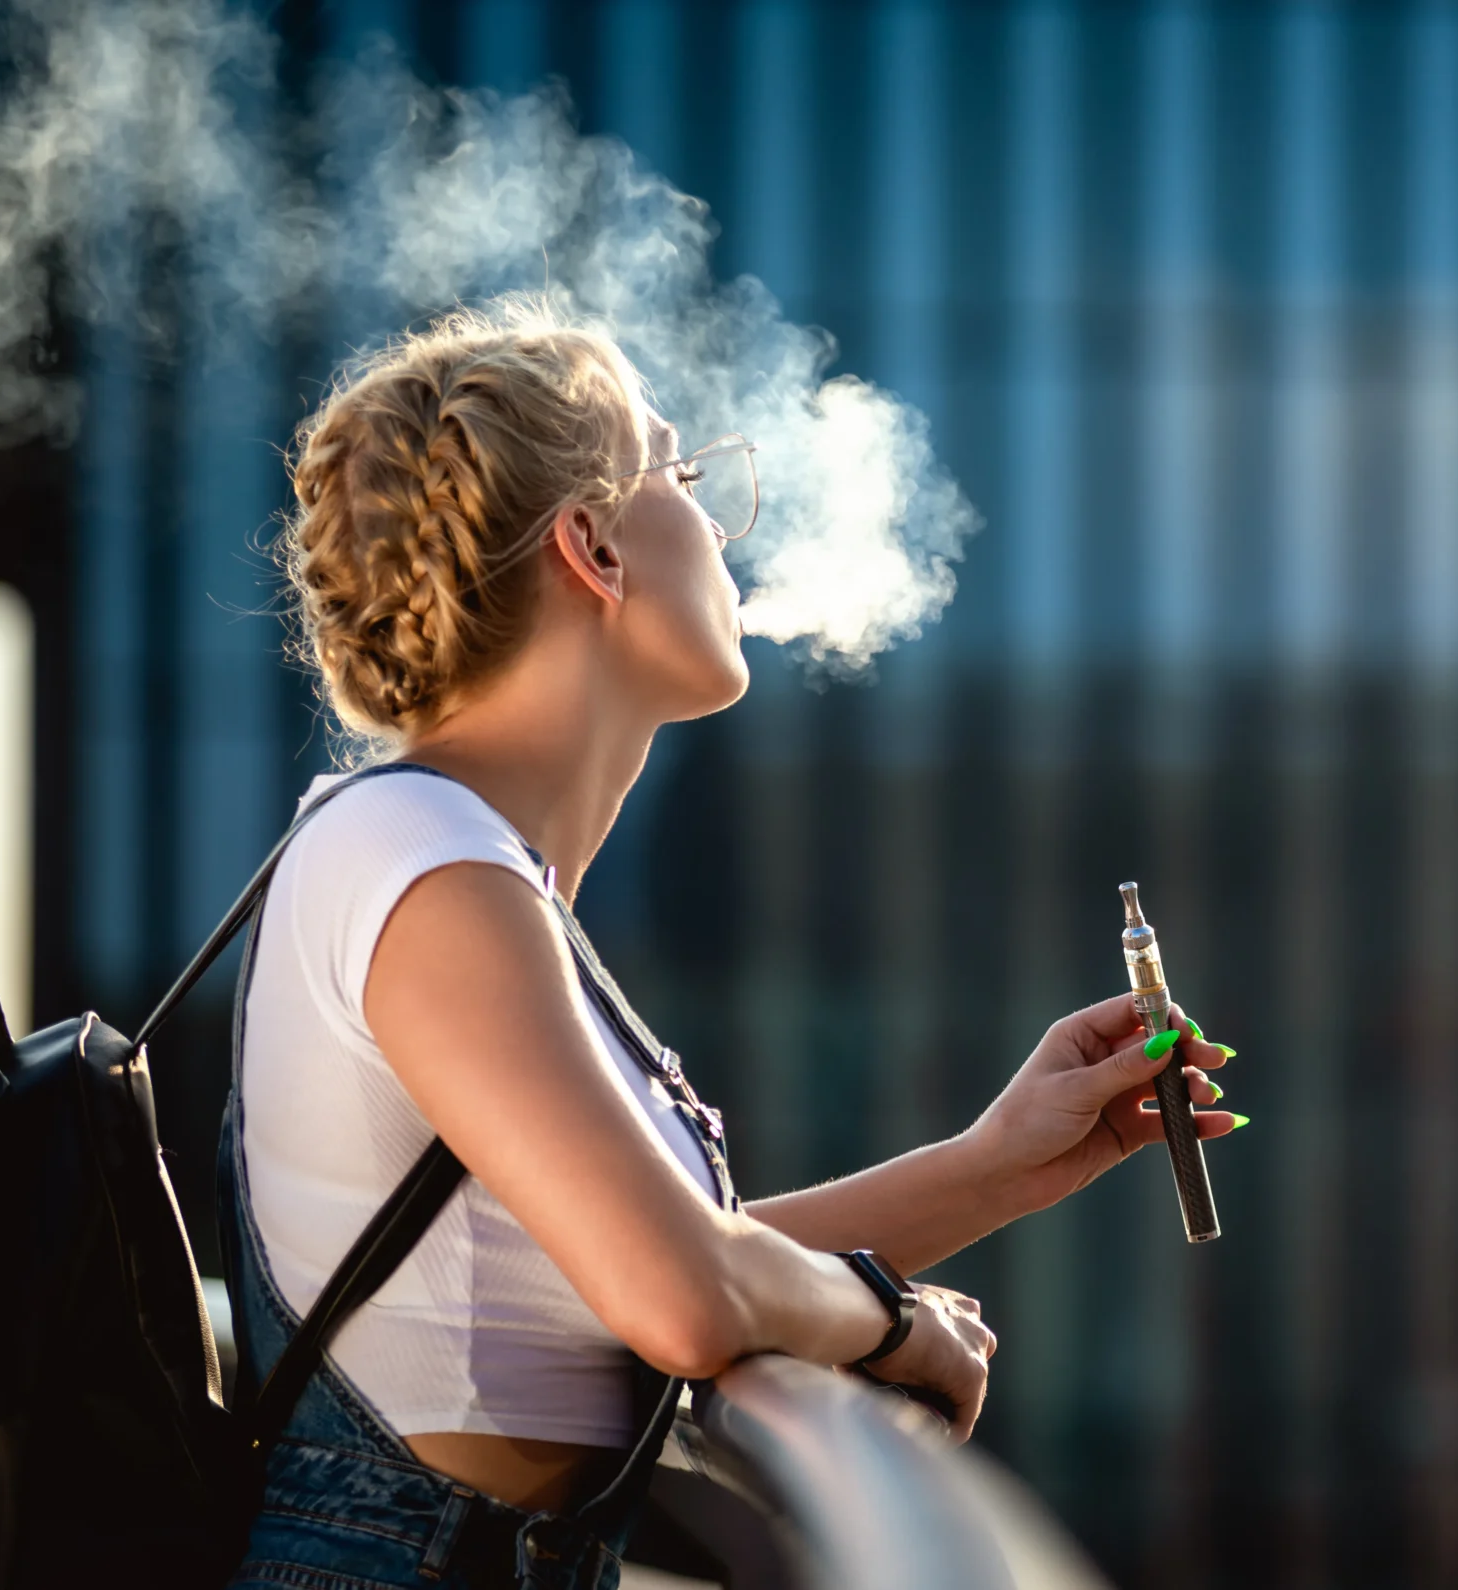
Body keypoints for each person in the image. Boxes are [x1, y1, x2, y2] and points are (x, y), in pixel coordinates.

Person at [218, 299, 1241, 1590]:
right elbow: (683, 1292)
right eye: (681, 474)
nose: (713, 521)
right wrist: (887, 1325)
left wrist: (999, 1163)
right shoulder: (425, 864)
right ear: (590, 545)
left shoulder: (445, 863)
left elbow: (639, 1266)